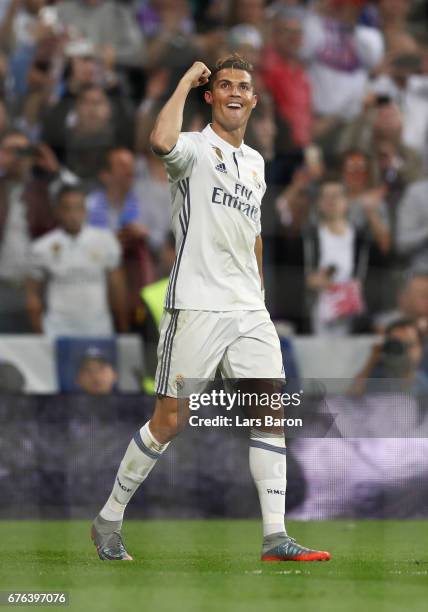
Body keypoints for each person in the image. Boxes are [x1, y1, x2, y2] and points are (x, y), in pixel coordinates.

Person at [91, 55, 331, 562]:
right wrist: (182, 81)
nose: (235, 93)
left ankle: (274, 537)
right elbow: (158, 142)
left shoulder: (257, 163)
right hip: (196, 306)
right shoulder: (194, 149)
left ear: (254, 99)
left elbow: (255, 236)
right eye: (225, 85)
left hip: (248, 309)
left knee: (270, 412)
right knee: (169, 421)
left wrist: (259, 296)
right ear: (211, 96)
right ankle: (109, 518)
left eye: (243, 86)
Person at [26, 185, 128, 336]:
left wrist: (123, 327)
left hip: (98, 328)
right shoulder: (41, 248)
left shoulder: (105, 241)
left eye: (79, 208)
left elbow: (117, 287)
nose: (73, 215)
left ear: (85, 210)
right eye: (67, 209)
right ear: (57, 211)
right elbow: (32, 295)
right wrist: (40, 332)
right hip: (57, 329)